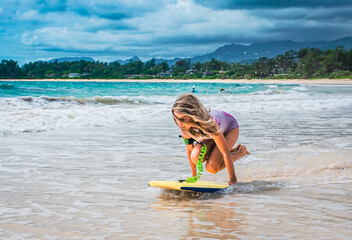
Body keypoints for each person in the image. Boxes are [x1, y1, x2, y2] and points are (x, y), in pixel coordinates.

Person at [172, 93, 250, 185]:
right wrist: (194, 177)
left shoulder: (211, 124)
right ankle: (218, 154)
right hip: (209, 135)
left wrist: (233, 179)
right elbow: (189, 150)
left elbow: (225, 153)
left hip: (229, 129)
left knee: (212, 168)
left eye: (183, 119)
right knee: (195, 157)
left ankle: (240, 152)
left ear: (193, 114)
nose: (179, 123)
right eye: (176, 118)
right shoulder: (184, 127)